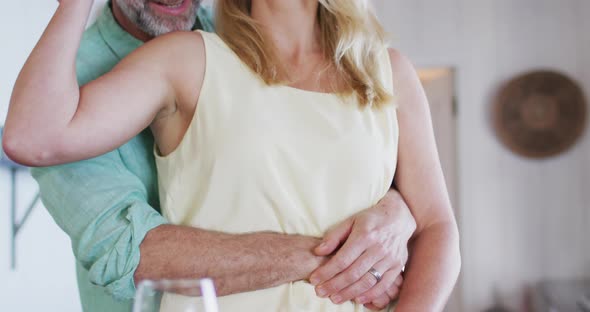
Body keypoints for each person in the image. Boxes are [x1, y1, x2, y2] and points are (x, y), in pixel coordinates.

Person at [4, 0, 461, 311]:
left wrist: (401, 210)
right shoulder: (184, 57)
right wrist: (333, 258)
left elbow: (437, 227)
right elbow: (33, 138)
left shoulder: (389, 72)